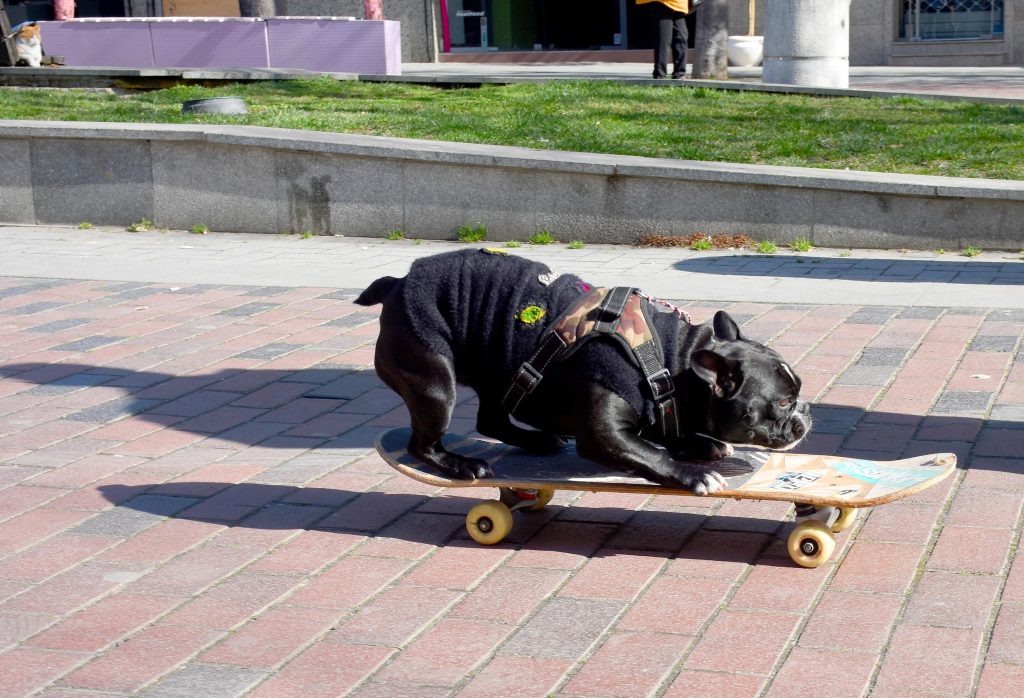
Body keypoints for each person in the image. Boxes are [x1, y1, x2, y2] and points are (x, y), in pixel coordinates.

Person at [637, 0, 697, 79]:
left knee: (681, 37)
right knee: (664, 39)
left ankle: (679, 74)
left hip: (679, 5)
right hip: (662, 2)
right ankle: (660, 75)